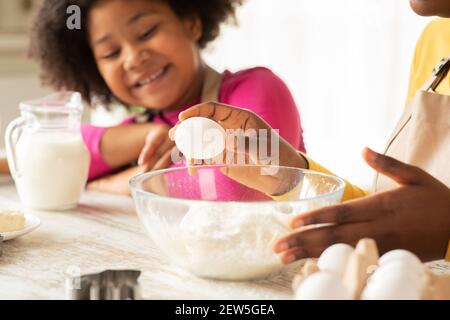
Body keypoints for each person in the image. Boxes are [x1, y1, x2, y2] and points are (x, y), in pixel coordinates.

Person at [168, 1, 450, 262]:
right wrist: (291, 175)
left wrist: (445, 233)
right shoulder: (436, 39)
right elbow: (398, 223)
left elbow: (428, 231)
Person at [29, 0, 305, 194]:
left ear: (191, 23)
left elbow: (243, 183)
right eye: (112, 53)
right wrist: (149, 133)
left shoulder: (258, 88)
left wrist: (137, 183)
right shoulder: (149, 127)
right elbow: (62, 158)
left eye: (147, 32)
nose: (134, 58)